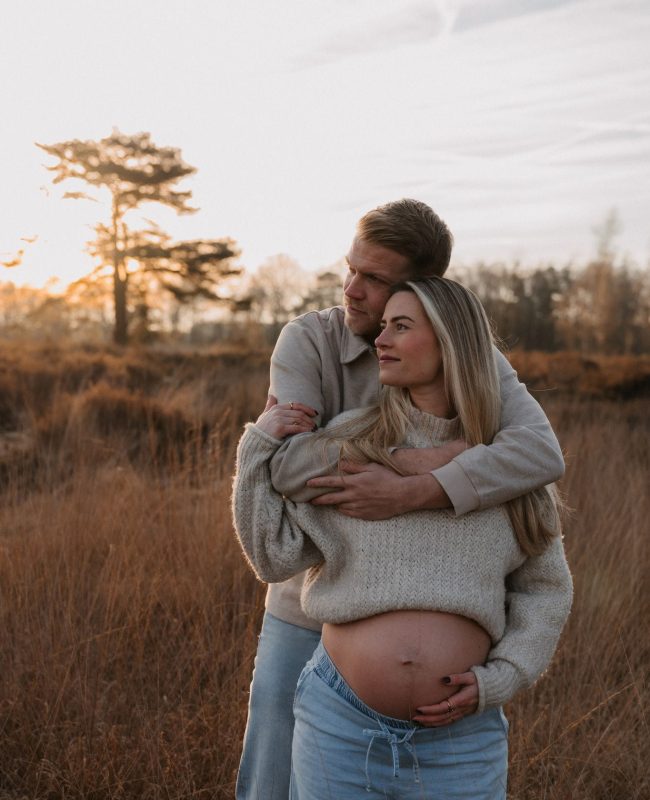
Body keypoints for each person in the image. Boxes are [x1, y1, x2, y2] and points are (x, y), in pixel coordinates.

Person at [234, 199, 565, 799]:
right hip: (311, 594)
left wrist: (416, 487)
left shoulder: (472, 357)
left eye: (377, 280)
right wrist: (436, 457)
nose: (353, 290)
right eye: (352, 269)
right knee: (271, 772)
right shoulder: (309, 340)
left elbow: (540, 454)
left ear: (422, 290)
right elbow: (289, 465)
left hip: (431, 602)